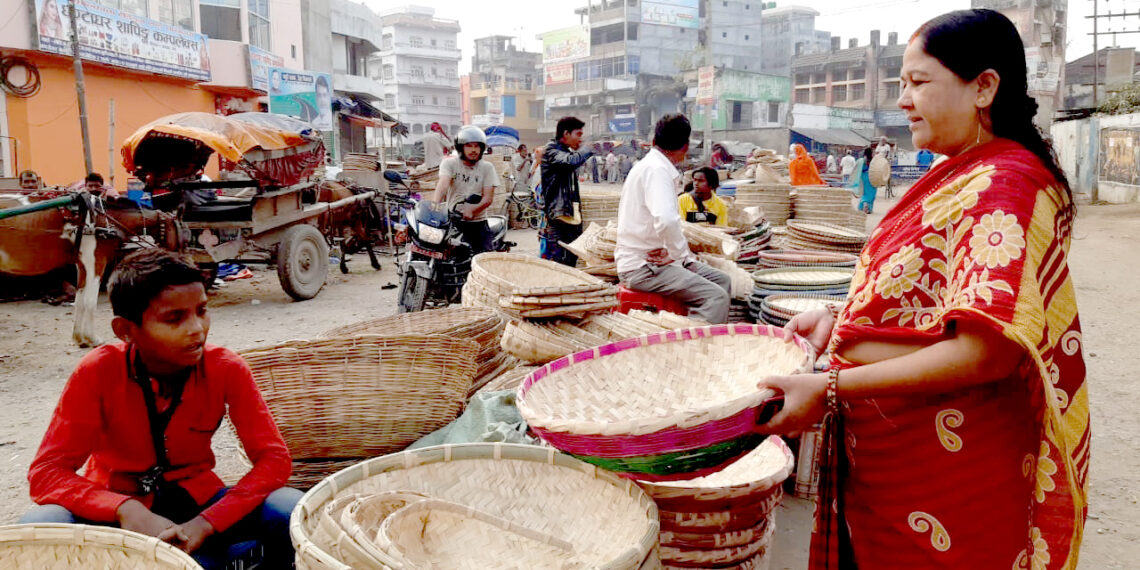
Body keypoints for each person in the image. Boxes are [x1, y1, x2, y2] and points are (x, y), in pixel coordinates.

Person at [756, 9, 1087, 568]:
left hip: (947, 473)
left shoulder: (1006, 183)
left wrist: (830, 387)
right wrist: (842, 319)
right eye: (902, 83)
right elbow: (934, 302)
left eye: (918, 82)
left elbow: (985, 349)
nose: (904, 99)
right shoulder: (961, 172)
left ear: (983, 87)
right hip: (894, 457)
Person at [21, 249, 300, 570]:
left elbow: (274, 460)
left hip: (199, 507)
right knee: (42, 523)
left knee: (290, 508)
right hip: (118, 515)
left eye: (202, 310)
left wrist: (208, 522)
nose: (197, 328)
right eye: (174, 318)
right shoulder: (97, 371)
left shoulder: (226, 368)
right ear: (125, 330)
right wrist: (125, 509)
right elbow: (46, 474)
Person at [616, 114, 731, 324]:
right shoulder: (657, 170)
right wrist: (677, 254)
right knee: (715, 297)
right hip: (643, 267)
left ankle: (710, 332)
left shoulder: (649, 165)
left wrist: (679, 256)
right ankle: (694, 349)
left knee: (722, 280)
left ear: (653, 141)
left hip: (654, 260)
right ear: (686, 147)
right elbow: (667, 220)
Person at [432, 126, 500, 254]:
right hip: (453, 221)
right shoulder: (450, 164)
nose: (474, 150)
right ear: (461, 147)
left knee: (484, 262)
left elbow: (488, 198)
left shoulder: (487, 167)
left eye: (477, 146)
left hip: (478, 223)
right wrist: (434, 206)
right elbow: (443, 186)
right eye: (469, 146)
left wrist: (472, 209)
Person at [540, 116, 596, 266]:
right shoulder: (551, 151)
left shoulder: (565, 151)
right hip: (558, 218)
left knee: (571, 261)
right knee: (558, 264)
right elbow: (570, 161)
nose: (580, 139)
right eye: (578, 134)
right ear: (566, 134)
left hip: (570, 216)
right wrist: (588, 149)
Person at [847, 147, 876, 214]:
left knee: (864, 192)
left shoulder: (861, 160)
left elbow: (855, 169)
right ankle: (868, 207)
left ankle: (862, 206)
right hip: (871, 177)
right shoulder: (873, 161)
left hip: (864, 178)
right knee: (871, 193)